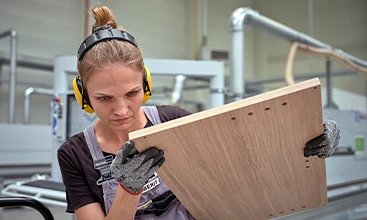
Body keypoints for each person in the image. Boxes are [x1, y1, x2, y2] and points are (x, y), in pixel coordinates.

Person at [57, 5, 341, 220]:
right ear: (83, 94)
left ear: (146, 84)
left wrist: (307, 139)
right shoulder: (74, 155)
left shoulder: (174, 121)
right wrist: (129, 190)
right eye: (104, 98)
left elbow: (244, 163)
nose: (121, 110)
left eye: (132, 93)